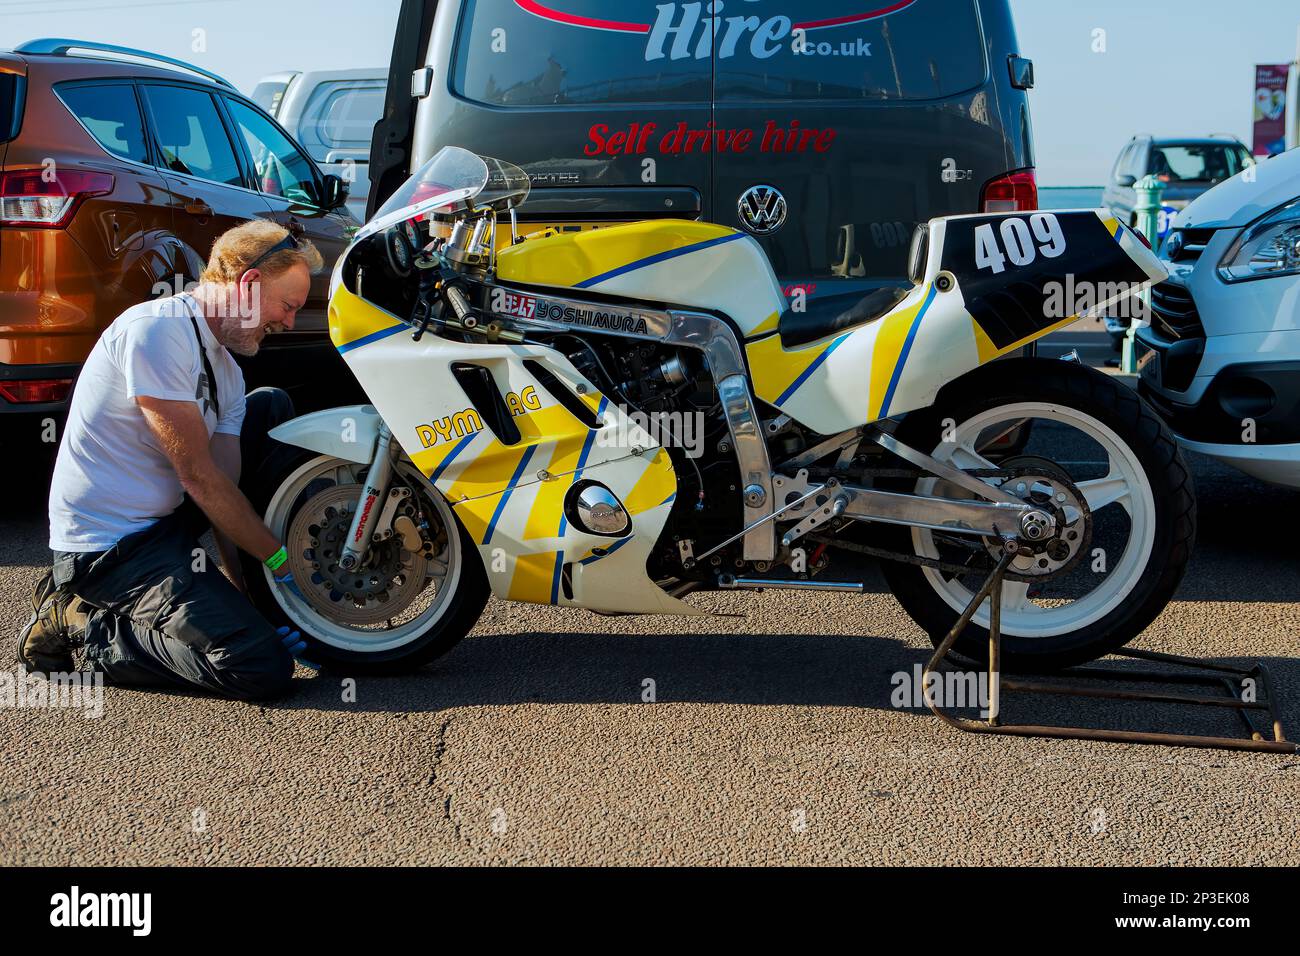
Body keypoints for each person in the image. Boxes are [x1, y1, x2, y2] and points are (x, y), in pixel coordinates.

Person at [18, 220, 323, 701]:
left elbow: (225, 490)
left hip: (163, 525)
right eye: (287, 306)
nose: (288, 322)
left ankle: (209, 610)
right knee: (258, 665)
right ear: (247, 285)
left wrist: (252, 596)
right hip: (109, 548)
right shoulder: (157, 331)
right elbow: (199, 479)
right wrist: (282, 561)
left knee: (270, 406)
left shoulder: (228, 373)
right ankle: (83, 621)